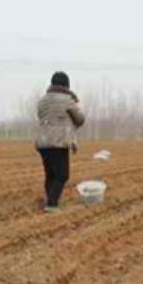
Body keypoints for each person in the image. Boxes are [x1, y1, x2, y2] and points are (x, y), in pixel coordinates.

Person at [35, 72, 85, 213]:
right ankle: (52, 204)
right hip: (58, 141)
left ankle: (50, 201)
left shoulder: (42, 100)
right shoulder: (67, 100)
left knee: (50, 174)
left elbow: (43, 116)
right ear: (66, 85)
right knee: (62, 175)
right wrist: (75, 105)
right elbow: (79, 120)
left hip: (42, 142)